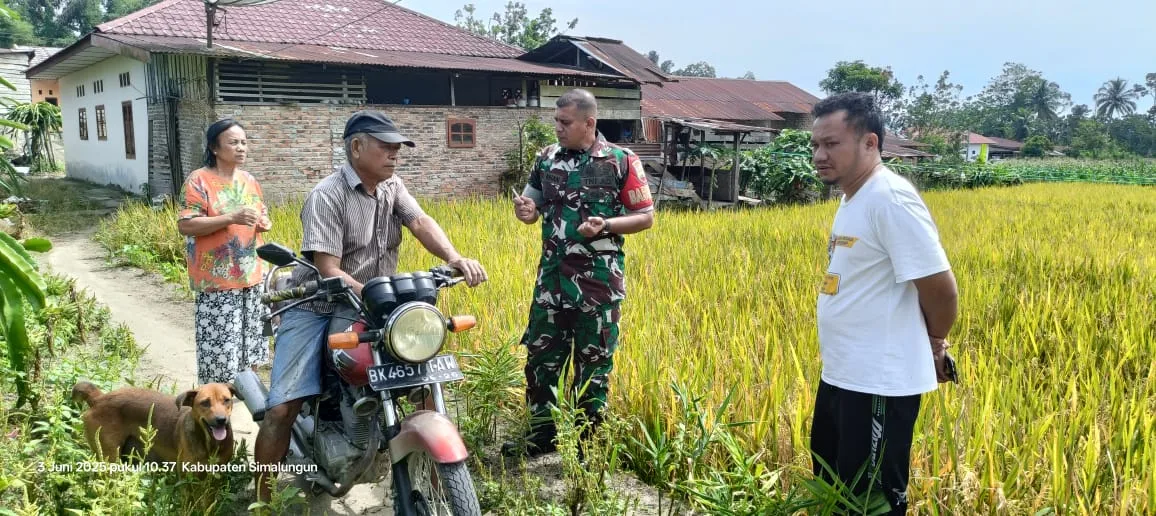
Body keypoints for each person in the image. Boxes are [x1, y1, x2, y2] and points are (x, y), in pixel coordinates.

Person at [252, 110, 487, 502]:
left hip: (373, 302)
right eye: (386, 146)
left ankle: (441, 480)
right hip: (317, 303)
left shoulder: (392, 185)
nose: (395, 154)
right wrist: (373, 295)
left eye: (398, 147)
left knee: (423, 377)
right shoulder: (327, 196)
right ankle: (260, 497)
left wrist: (455, 259)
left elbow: (420, 221)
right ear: (356, 147)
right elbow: (329, 269)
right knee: (282, 407)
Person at [808, 92, 959, 514]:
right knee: (833, 489)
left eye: (832, 144)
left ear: (870, 143)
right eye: (815, 145)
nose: (820, 155)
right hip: (843, 374)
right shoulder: (853, 197)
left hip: (878, 383)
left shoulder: (889, 198)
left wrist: (935, 345)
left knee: (871, 500)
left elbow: (940, 288)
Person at [504, 88, 655, 457]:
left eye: (564, 122)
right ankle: (542, 436)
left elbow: (646, 218)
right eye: (556, 121)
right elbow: (531, 205)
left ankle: (587, 448)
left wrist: (607, 226)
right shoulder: (545, 159)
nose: (557, 128)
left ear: (589, 123)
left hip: (597, 288)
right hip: (550, 286)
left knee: (594, 368)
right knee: (541, 362)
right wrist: (525, 211)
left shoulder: (621, 160)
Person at [177, 118, 272, 387]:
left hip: (252, 277)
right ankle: (218, 405)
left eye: (244, 142)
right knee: (220, 350)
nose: (241, 147)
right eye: (233, 142)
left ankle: (250, 395)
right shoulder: (199, 180)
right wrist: (230, 217)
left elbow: (259, 216)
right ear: (214, 148)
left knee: (253, 342)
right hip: (216, 282)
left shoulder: (249, 181)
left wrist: (263, 222)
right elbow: (186, 225)